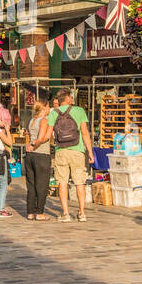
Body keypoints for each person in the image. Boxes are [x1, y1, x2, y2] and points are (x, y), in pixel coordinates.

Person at [47, 87, 93, 223]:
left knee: (62, 182)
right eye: (71, 96)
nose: (72, 98)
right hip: (77, 150)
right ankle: (82, 212)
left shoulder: (53, 113)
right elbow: (85, 133)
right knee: (79, 182)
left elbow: (49, 135)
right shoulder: (79, 111)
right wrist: (90, 152)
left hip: (61, 150)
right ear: (67, 98)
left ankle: (66, 213)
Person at [23, 94, 52, 221]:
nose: (50, 109)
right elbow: (40, 138)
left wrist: (28, 146)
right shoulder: (44, 120)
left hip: (30, 156)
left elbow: (28, 135)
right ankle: (39, 212)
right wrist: (34, 146)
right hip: (41, 155)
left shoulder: (32, 120)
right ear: (44, 108)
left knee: (31, 184)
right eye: (48, 106)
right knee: (42, 185)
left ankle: (30, 212)